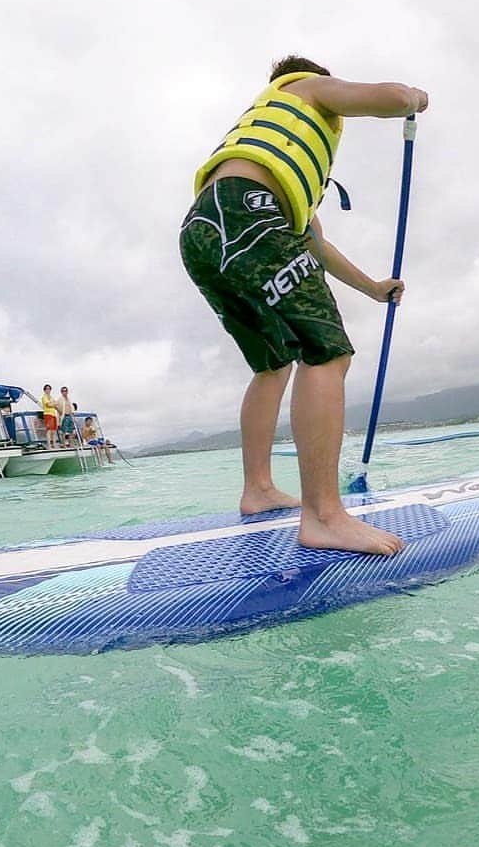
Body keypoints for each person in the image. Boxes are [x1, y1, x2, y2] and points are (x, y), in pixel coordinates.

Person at [179, 55, 427, 555]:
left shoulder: (273, 166)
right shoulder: (305, 87)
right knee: (327, 351)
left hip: (202, 230)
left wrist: (374, 288)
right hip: (247, 214)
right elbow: (392, 97)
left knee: (273, 362)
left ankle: (259, 489)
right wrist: (414, 99)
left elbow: (312, 245)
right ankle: (324, 517)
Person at [40, 384, 59, 449]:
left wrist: (54, 404)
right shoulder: (44, 397)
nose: (48, 390)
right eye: (46, 389)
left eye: (49, 389)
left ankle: (54, 444)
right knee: (49, 430)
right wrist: (54, 403)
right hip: (48, 414)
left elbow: (55, 404)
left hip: (53, 414)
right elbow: (48, 404)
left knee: (54, 431)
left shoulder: (51, 397)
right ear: (44, 390)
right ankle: (49, 445)